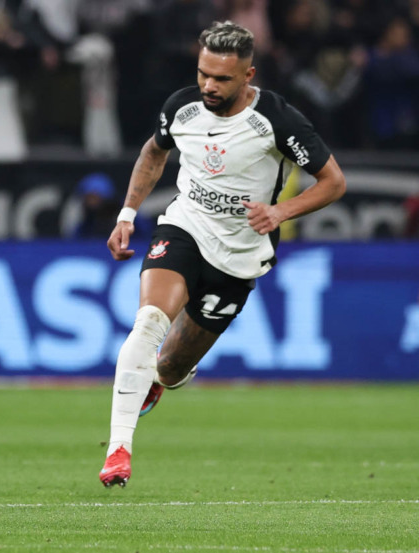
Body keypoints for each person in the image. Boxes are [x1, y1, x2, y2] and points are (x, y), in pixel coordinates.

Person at [99, 21, 346, 488]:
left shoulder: (277, 120)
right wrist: (127, 213)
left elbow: (334, 181)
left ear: (248, 75)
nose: (209, 86)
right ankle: (118, 450)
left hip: (240, 255)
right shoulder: (183, 108)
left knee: (169, 368)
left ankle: (164, 377)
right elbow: (154, 153)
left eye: (222, 79)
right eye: (203, 74)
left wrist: (280, 211)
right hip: (185, 227)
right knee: (149, 321)